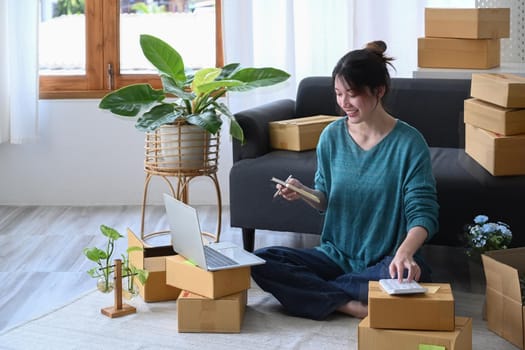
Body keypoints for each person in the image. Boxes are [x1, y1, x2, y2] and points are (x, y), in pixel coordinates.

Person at [250, 40, 439, 321]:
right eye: (338, 94)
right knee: (262, 261)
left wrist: (404, 254)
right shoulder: (331, 136)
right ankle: (351, 305)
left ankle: (316, 295)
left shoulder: (409, 143)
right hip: (334, 255)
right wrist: (304, 192)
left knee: (412, 272)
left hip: (384, 260)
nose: (343, 103)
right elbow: (324, 199)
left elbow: (423, 213)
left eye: (351, 94)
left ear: (379, 90)